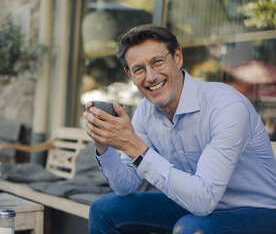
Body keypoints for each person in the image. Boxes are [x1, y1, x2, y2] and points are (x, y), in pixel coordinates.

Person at [83, 24, 276, 234]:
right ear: (130, 76)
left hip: (259, 211)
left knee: (191, 228)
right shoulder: (146, 112)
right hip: (193, 203)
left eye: (157, 62)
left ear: (177, 58)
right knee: (104, 209)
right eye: (139, 69)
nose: (151, 77)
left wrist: (134, 146)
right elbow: (125, 185)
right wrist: (103, 144)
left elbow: (203, 201)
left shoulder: (226, 105)